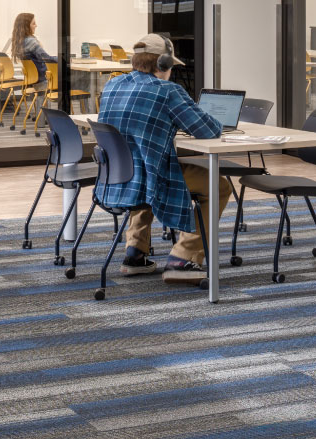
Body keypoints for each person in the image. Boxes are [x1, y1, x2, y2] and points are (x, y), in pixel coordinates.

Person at [95, 34, 232, 284]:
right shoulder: (168, 91)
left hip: (117, 177)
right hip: (149, 179)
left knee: (144, 161)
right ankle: (184, 257)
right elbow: (209, 130)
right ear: (164, 63)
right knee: (218, 185)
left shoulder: (113, 85)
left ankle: (135, 252)